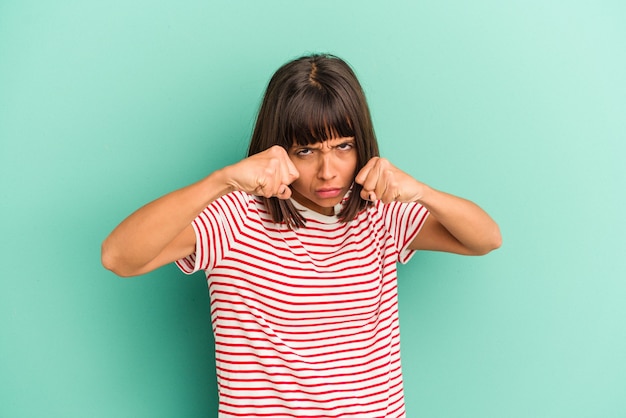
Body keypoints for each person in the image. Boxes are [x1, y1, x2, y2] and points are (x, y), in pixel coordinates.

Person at [102, 53, 501, 418]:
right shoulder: (234, 218)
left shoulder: (382, 214)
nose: (328, 171)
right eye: (306, 150)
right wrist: (220, 180)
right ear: (277, 150)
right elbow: (119, 257)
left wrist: (422, 192)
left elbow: (485, 238)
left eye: (343, 146)